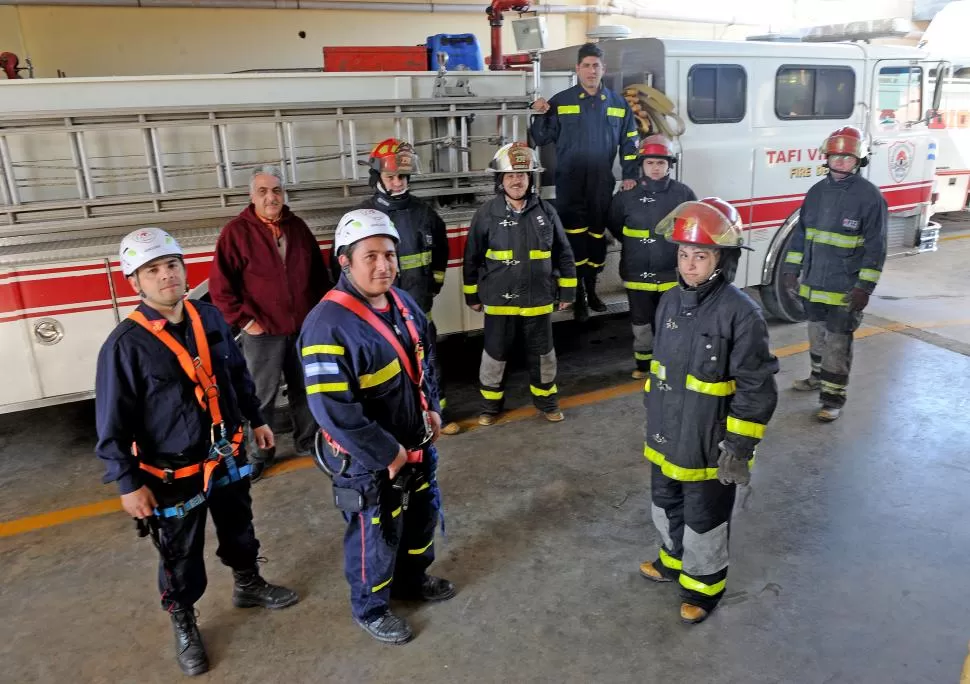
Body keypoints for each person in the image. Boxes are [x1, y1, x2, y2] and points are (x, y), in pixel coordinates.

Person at [95, 227, 298, 676]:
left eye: (172, 265)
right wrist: (128, 485)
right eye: (153, 270)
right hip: (172, 472)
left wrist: (258, 419)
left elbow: (237, 377)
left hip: (225, 456)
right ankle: (184, 619)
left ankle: (247, 583)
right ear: (135, 282)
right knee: (180, 554)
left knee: (240, 527)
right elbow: (111, 425)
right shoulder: (125, 346)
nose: (167, 276)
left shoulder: (209, 319)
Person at [299, 208, 455, 645]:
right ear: (344, 261)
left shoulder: (403, 304)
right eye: (370, 256)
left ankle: (413, 579)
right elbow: (335, 411)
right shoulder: (327, 326)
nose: (383, 265)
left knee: (421, 518)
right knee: (376, 532)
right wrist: (389, 455)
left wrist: (434, 408)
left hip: (416, 444)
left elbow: (426, 362)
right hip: (369, 461)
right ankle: (370, 606)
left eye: (389, 254)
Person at [638, 199, 778, 624]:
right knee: (665, 502)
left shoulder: (741, 313)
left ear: (723, 259)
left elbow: (757, 388)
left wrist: (738, 447)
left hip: (709, 443)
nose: (689, 265)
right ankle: (673, 560)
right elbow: (659, 372)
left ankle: (704, 588)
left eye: (700, 255)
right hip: (666, 435)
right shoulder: (668, 303)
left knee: (705, 516)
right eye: (683, 254)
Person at [209, 165, 332, 480]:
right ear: (252, 197)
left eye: (276, 191)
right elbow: (220, 290)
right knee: (260, 396)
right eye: (263, 191)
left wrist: (318, 318)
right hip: (262, 333)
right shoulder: (236, 233)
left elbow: (319, 277)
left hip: (302, 330)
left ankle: (309, 441)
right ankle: (259, 453)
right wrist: (247, 322)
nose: (271, 197)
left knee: (306, 389)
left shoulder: (298, 228)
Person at [462, 142, 576, 425]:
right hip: (499, 302)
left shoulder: (546, 212)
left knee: (543, 356)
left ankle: (547, 402)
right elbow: (472, 256)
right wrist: (471, 295)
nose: (517, 180)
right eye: (511, 174)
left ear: (530, 179)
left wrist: (568, 290)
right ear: (500, 180)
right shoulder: (486, 214)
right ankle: (490, 407)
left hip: (537, 300)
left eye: (522, 175)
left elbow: (563, 252)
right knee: (494, 355)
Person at [782, 126, 888, 422]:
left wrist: (864, 287)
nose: (840, 161)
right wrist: (791, 269)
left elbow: (876, 246)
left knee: (838, 344)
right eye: (835, 156)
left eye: (847, 156)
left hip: (844, 288)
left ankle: (832, 399)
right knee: (816, 336)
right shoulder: (816, 192)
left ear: (859, 160)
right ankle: (817, 377)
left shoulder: (870, 197)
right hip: (814, 285)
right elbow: (801, 236)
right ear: (826, 158)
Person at [356, 138, 460, 435]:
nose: (398, 182)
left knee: (427, 361)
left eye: (403, 176)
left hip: (417, 307)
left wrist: (431, 288)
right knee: (384, 367)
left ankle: (437, 413)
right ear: (377, 178)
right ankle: (389, 422)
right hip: (377, 312)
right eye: (391, 177)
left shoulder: (425, 214)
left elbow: (440, 253)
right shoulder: (363, 217)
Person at [530, 41, 639, 321]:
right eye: (587, 65)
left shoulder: (617, 104)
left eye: (596, 66)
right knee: (573, 240)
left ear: (604, 69)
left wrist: (630, 176)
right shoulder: (561, 101)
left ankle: (592, 290)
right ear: (578, 69)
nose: (592, 70)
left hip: (602, 183)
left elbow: (630, 142)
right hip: (571, 184)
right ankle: (577, 294)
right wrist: (539, 114)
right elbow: (541, 138)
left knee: (596, 240)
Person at [607, 135, 697, 379]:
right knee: (641, 322)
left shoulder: (683, 193)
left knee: (671, 321)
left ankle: (669, 363)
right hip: (636, 271)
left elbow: (691, 229)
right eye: (650, 163)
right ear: (641, 165)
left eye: (661, 163)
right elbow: (615, 225)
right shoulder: (625, 195)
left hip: (670, 272)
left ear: (670, 164)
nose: (655, 168)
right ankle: (643, 365)